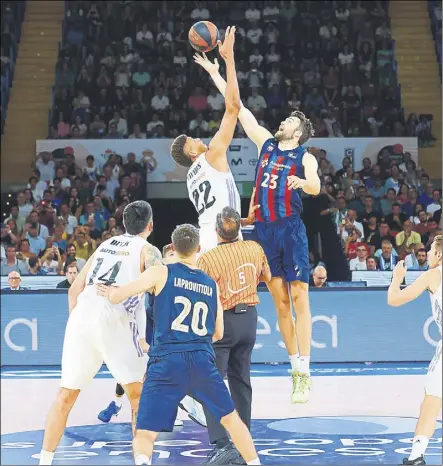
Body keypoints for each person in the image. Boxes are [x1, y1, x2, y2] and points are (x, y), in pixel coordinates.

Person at [196, 53, 321, 403]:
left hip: (290, 228)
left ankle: (305, 373)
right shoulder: (265, 142)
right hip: (263, 231)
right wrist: (214, 73)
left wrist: (302, 183)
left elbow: (316, 187)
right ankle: (294, 367)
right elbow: (237, 106)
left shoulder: (304, 157)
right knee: (281, 304)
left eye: (288, 121)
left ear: (298, 131)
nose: (281, 122)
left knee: (299, 297)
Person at [96, 224, 261, 466]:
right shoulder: (210, 284)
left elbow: (120, 295)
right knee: (231, 420)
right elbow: (218, 333)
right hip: (201, 360)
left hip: (166, 361)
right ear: (199, 249)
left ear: (172, 248)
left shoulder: (160, 273)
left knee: (145, 433)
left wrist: (109, 292)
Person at [38, 201, 162, 466]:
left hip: (82, 314)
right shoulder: (149, 250)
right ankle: (142, 461)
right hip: (116, 312)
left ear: (124, 224)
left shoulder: (104, 246)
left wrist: (80, 326)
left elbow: (74, 291)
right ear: (150, 225)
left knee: (65, 396)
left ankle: (44, 461)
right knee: (138, 395)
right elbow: (157, 284)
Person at [97, 244, 206, 428]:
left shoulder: (186, 277)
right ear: (162, 259)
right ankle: (118, 402)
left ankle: (176, 407)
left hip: (171, 334)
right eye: (170, 254)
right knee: (133, 368)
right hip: (149, 330)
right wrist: (114, 293)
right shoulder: (155, 275)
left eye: (176, 254)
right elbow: (136, 298)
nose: (174, 257)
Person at [197, 206, 271, 464]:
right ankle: (243, 439)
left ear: (217, 230)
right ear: (239, 229)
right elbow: (266, 277)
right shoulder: (255, 248)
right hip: (249, 319)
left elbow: (201, 293)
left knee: (212, 382)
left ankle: (222, 443)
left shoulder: (208, 258)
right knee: (241, 380)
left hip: (222, 322)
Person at [170, 27, 242, 255]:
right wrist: (229, 61)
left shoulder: (192, 179)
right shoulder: (211, 155)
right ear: (193, 154)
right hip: (223, 239)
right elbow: (233, 108)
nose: (197, 137)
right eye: (193, 141)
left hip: (207, 239)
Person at [388, 235, 442, 466]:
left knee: (431, 401)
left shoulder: (433, 275)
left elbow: (394, 300)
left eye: (430, 251)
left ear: (439, 254)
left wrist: (396, 278)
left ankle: (416, 456)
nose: (427, 254)